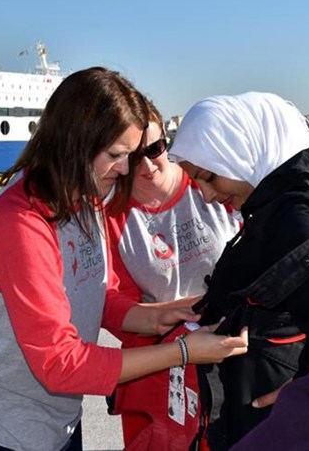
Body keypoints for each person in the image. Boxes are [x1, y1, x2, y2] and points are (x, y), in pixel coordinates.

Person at [0, 67, 248, 451]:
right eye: (117, 155)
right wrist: (182, 352)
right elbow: (60, 363)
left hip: (58, 421)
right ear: (75, 143)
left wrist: (167, 314)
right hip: (3, 427)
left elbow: (98, 295)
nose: (126, 169)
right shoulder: (19, 223)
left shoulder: (86, 198)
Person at [170, 91, 309, 450]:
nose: (207, 196)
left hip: (272, 422)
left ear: (242, 150)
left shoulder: (295, 221)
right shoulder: (296, 194)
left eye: (209, 176)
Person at [104, 103, 241, 450]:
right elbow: (112, 303)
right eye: (133, 158)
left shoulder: (210, 182)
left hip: (234, 357)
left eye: (154, 149)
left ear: (166, 140)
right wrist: (181, 314)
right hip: (160, 372)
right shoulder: (110, 217)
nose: (148, 166)